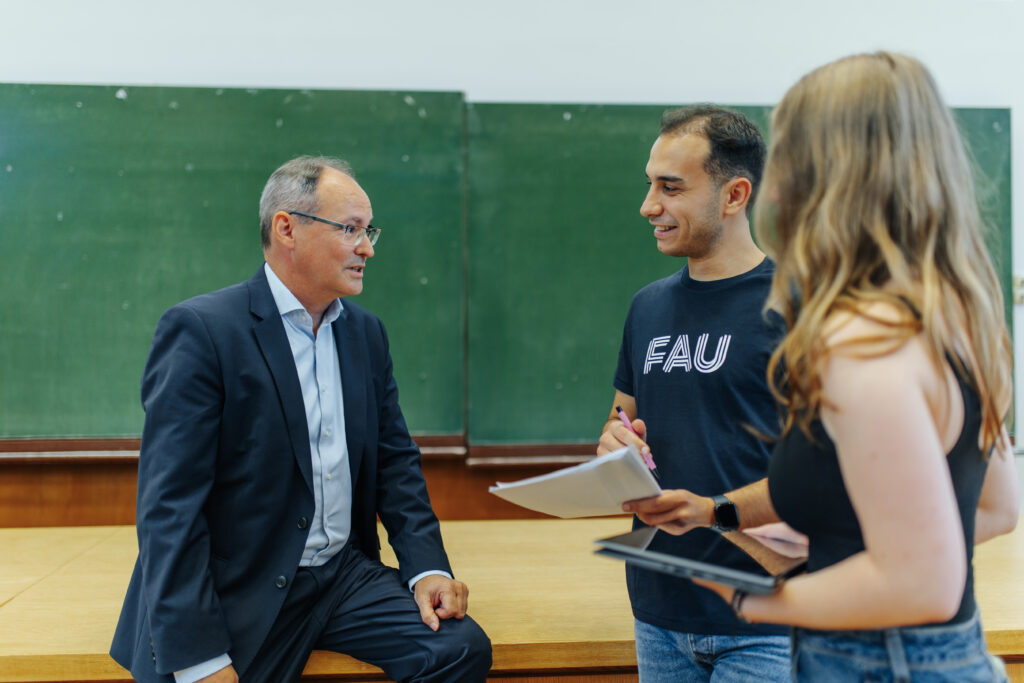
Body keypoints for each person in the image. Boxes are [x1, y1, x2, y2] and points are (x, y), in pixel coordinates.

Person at [669, 52, 1021, 681]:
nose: (774, 190)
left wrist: (753, 600)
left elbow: (923, 583)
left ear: (833, 177)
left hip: (875, 664)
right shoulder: (956, 314)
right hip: (949, 657)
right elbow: (995, 509)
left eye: (791, 161)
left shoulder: (862, 348)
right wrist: (836, 542)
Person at [110, 156, 492, 683]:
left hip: (342, 576)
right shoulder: (203, 331)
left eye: (369, 230)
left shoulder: (365, 334)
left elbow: (394, 463)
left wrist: (427, 567)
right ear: (286, 228)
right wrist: (199, 658)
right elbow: (169, 508)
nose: (368, 248)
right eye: (351, 229)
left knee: (458, 648)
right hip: (241, 584)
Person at [597, 105, 792, 681]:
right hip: (659, 611)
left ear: (734, 195)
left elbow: (830, 474)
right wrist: (613, 447)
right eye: (649, 184)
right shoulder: (647, 305)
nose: (648, 206)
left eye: (671, 187)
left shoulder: (798, 308)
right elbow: (619, 422)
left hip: (768, 621)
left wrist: (713, 513)